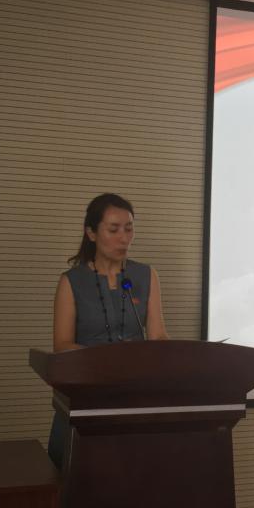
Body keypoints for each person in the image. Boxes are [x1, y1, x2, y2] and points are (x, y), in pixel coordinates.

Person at [47, 193, 168, 468]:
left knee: (135, 475)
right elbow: (62, 345)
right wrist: (105, 362)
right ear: (91, 233)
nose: (124, 238)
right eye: (113, 230)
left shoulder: (146, 275)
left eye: (129, 229)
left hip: (135, 395)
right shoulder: (71, 281)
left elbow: (158, 335)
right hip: (86, 396)